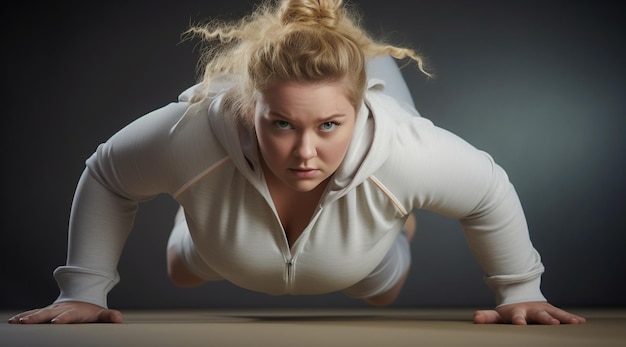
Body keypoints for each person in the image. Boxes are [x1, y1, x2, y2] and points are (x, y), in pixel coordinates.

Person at [9, 0, 585, 325]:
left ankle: (392, 219)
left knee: (381, 288)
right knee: (184, 267)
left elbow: (488, 192)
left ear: (358, 113)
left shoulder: (408, 147)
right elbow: (107, 175)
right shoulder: (191, 134)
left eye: (329, 126)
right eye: (281, 124)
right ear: (249, 108)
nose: (305, 153)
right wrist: (82, 290)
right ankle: (198, 217)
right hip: (222, 247)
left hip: (361, 260)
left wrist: (518, 290)